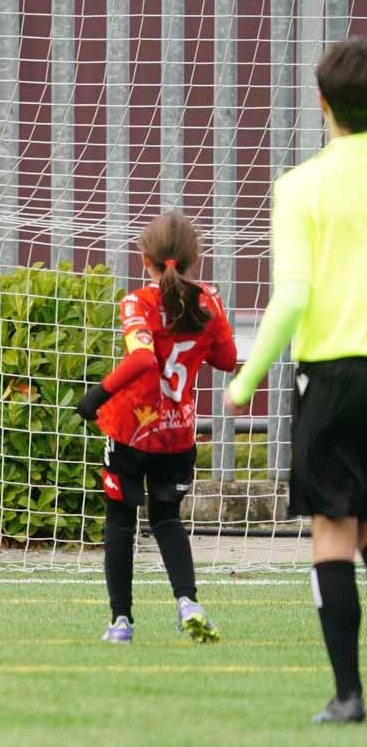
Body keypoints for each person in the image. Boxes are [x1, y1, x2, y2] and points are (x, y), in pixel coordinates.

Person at [225, 37, 367, 725]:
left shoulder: (300, 186)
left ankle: (347, 694)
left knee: (334, 532)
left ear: (322, 104)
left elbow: (292, 297)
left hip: (335, 377)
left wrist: (246, 377)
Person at [75, 213, 237, 645]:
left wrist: (97, 395)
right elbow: (227, 358)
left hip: (130, 430)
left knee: (120, 521)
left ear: (144, 258)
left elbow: (144, 359)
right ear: (194, 258)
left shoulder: (137, 303)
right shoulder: (209, 302)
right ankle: (188, 602)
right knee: (167, 519)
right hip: (177, 434)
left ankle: (121, 622)